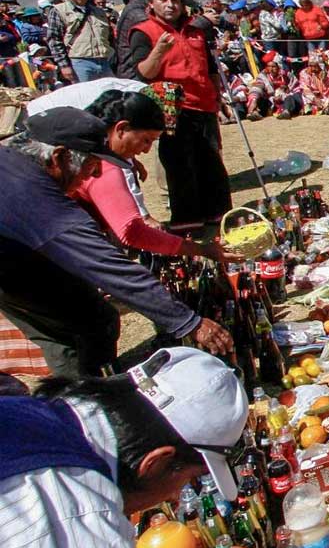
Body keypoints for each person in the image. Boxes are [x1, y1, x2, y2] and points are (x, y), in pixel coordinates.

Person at [0, 347, 248, 548]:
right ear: (156, 462)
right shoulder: (78, 519)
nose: (176, 497)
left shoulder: (37, 413)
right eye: (186, 480)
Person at [0, 108, 232, 376]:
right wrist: (188, 322)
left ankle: (76, 391)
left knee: (71, 325)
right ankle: (88, 399)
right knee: (90, 323)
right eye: (89, 165)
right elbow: (111, 268)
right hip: (11, 265)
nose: (93, 175)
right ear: (59, 156)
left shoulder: (11, 159)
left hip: (12, 259)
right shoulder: (37, 198)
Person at [72, 90, 235, 262]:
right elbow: (132, 232)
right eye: (146, 140)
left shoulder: (83, 143)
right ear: (122, 129)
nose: (147, 150)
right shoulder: (101, 166)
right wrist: (203, 250)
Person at [123, 0, 232, 228]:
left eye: (175, 0)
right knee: (180, 165)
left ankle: (219, 215)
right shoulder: (143, 31)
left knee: (211, 161)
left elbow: (211, 68)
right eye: (163, 0)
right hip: (172, 106)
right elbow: (145, 72)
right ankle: (188, 221)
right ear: (151, 4)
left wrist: (218, 96)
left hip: (204, 103)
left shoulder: (196, 30)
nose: (170, 5)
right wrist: (159, 50)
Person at [46, 0, 115, 84]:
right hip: (79, 62)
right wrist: (64, 66)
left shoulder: (98, 12)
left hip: (104, 61)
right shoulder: (59, 11)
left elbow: (109, 37)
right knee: (85, 97)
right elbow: (54, 40)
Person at [294, 50, 329, 114]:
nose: (312, 69)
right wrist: (315, 99)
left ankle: (328, 108)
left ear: (321, 65)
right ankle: (316, 108)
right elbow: (305, 89)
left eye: (315, 66)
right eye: (310, 66)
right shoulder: (304, 73)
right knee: (296, 97)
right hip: (312, 99)